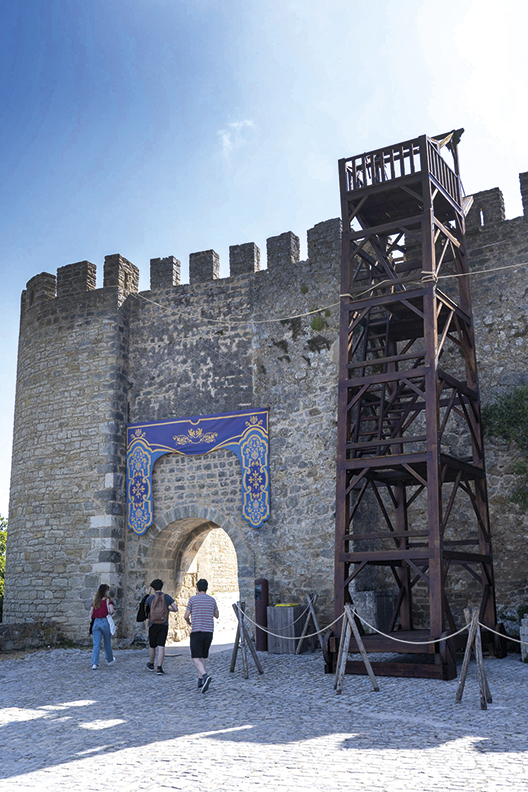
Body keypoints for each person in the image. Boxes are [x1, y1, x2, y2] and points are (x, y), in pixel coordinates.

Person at [184, 578, 219, 693]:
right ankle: (200, 681)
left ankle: (204, 676)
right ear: (207, 588)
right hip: (208, 632)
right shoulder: (212, 600)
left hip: (197, 631)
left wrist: (189, 622)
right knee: (203, 656)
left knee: (195, 657)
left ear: (197, 588)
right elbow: (216, 615)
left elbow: (186, 615)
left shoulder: (192, 600)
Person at [145, 579, 178, 675]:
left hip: (153, 623)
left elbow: (145, 608)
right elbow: (175, 608)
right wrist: (167, 609)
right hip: (164, 624)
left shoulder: (150, 598)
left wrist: (149, 593)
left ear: (153, 588)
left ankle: (151, 664)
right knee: (161, 646)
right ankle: (159, 668)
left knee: (152, 645)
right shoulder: (167, 597)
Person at [90, 583, 115, 669]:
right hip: (104, 621)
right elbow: (111, 611)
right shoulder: (108, 600)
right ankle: (109, 660)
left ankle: (94, 663)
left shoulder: (95, 601)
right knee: (107, 642)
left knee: (96, 644)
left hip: (96, 622)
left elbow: (91, 612)